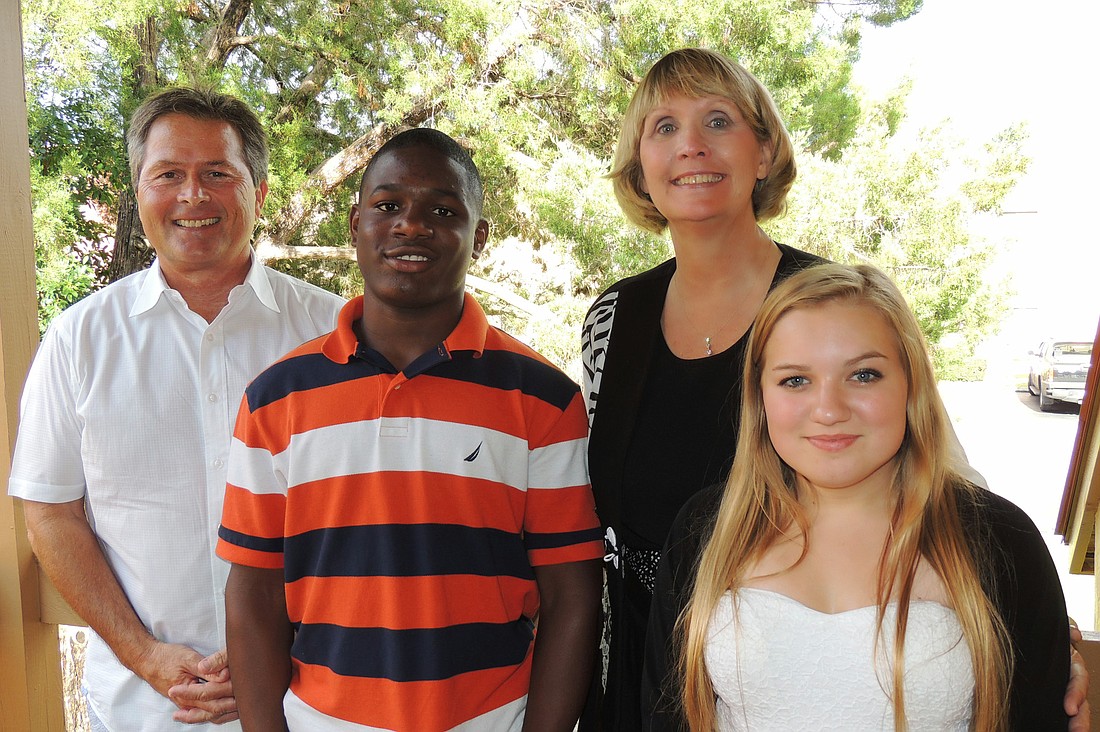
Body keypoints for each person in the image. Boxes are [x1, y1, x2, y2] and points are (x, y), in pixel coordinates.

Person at [579, 47, 1090, 730]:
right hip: (656, 660)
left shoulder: (826, 307)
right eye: (664, 127)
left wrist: (1037, 632)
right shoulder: (613, 318)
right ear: (639, 162)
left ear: (764, 152)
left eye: (718, 120)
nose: (691, 146)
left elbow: (941, 472)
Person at [217, 128, 605, 731]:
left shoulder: (543, 400)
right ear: (355, 223)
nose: (411, 225)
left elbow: (573, 596)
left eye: (442, 211)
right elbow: (253, 593)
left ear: (479, 237)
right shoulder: (276, 399)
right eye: (388, 205)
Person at [7, 87, 345, 730]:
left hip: (313, 700)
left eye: (218, 173)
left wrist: (280, 657)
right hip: (146, 708)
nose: (194, 195)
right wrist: (146, 656)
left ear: (260, 192)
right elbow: (49, 513)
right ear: (139, 195)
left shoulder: (335, 334)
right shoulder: (79, 340)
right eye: (169, 175)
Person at [642, 263, 1071, 730]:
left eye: (864, 375)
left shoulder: (998, 539)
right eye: (795, 380)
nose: (829, 410)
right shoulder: (706, 529)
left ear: (912, 386)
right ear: (759, 397)